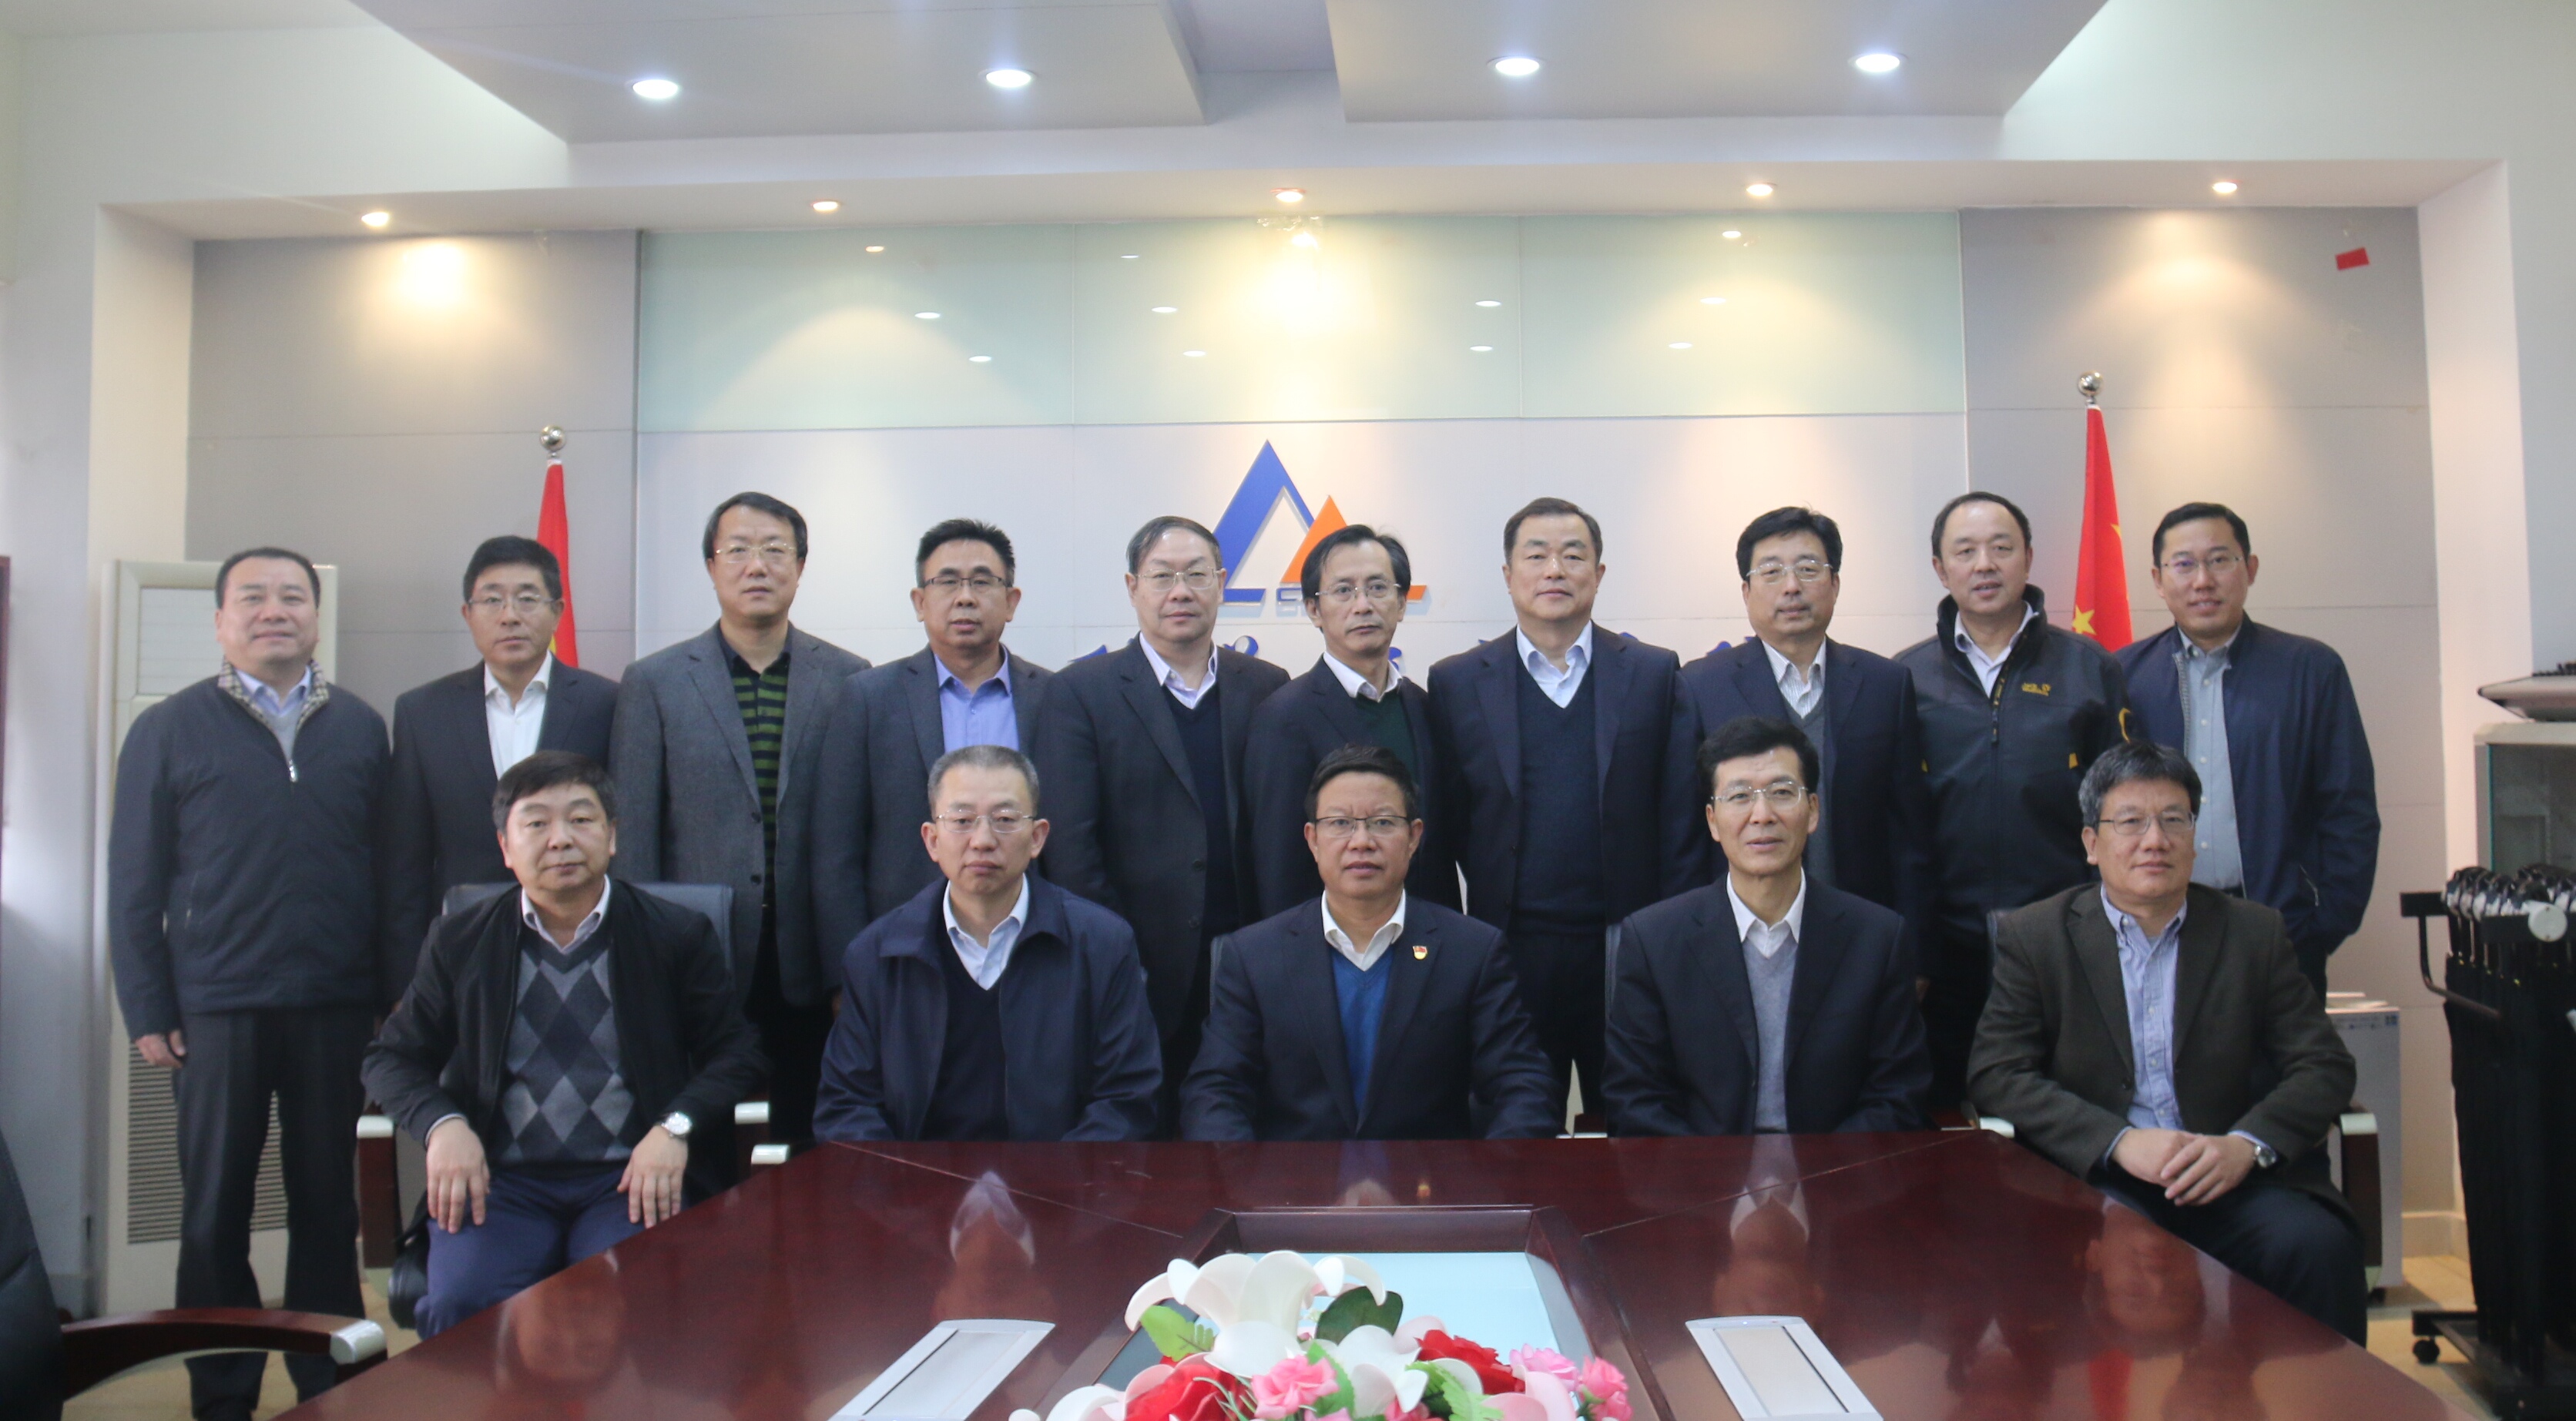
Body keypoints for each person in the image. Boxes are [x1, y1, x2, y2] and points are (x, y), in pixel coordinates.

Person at [107, 547, 389, 1421]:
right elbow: (132, 882)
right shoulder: (167, 728)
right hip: (215, 1008)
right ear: (221, 621)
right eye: (254, 597)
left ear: (315, 617)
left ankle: (331, 1390)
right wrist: (147, 1005)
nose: (275, 610)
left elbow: (386, 873)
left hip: (335, 1005)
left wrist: (390, 1002)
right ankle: (222, 1397)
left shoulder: (360, 727)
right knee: (214, 1214)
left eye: (293, 596)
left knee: (326, 1209)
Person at [1969, 739, 2365, 1342]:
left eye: (2174, 820)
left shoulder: (2252, 933)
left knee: (2316, 1246)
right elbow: (1997, 1072)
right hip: (2103, 1178)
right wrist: (2119, 1141)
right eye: (2130, 822)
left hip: (2233, 1176)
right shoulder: (2038, 936)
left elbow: (2324, 1065)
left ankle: (2324, 1393)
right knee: (2124, 1249)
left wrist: (2245, 1146)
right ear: (2091, 843)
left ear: (2194, 837)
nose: (2154, 840)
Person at [362, 752, 763, 1338]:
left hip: (628, 1180)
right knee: (460, 1306)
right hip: (501, 1185)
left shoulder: (673, 933)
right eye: (537, 823)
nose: (561, 840)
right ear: (505, 846)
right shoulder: (461, 940)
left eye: (581, 819)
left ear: (612, 835)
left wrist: (674, 1127)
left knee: (634, 1304)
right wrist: (443, 1125)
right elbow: (390, 1058)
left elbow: (737, 1052)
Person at [609, 492, 867, 1155]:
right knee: (703, 1142)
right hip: (698, 951)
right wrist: (645, 962)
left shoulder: (850, 679)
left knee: (810, 1139)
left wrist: (849, 964)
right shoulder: (655, 681)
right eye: (739, 550)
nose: (758, 565)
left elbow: (857, 829)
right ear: (711, 566)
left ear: (801, 566)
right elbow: (634, 836)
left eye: (776, 550)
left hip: (810, 953)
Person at [1426, 496, 1697, 1121]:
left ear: (1598, 574)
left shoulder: (1654, 674)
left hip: (1629, 945)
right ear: (1508, 575)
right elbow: (1447, 823)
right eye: (1537, 555)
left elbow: (1681, 819)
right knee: (1517, 1123)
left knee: (1636, 1118)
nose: (1555, 570)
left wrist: (1673, 937)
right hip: (1508, 948)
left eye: (1573, 556)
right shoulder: (1458, 681)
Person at [1033, 515, 1289, 1127]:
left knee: (1240, 1130)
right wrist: (1116, 955)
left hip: (1249, 959)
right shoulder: (1080, 692)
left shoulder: (1266, 686)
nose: (1181, 591)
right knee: (1141, 1136)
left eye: (1196, 575)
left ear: (1221, 583)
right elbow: (1071, 848)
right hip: (1136, 963)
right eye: (1162, 576)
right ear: (1132, 587)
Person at [1181, 745, 1558, 1141]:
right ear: (1312, 839)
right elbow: (1214, 1092)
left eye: (1382, 822)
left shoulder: (1472, 951)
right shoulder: (1254, 956)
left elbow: (1523, 1085)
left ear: (1413, 837)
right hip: (1297, 1178)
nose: (1361, 842)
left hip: (1430, 1177)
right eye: (1340, 823)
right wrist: (1246, 1173)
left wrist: (1494, 1171)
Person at [1894, 491, 2131, 1114]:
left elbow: (2123, 812)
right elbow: (1897, 826)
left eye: (2001, 547)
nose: (1985, 564)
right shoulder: (1904, 678)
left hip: (2065, 943)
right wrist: (1914, 948)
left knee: (2061, 1117)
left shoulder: (2091, 668)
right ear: (1940, 568)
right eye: (1965, 551)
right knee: (1948, 1121)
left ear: (2028, 557)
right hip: (1946, 952)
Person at [814, 746, 1160, 1141]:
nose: (982, 840)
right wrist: (906, 1180)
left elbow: (1126, 1100)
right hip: (915, 1178)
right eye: (962, 820)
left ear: (1037, 837)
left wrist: (1052, 1178)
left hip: (1060, 1176)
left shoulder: (1103, 945)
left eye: (1005, 820)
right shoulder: (876, 955)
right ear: (932, 840)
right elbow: (848, 1107)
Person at [1604, 716, 1929, 1136]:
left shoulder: (1878, 939)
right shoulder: (1653, 941)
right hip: (1703, 1171)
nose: (1762, 815)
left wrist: (1817, 1172)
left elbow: (1899, 1097)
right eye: (1739, 796)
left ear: (1813, 811)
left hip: (1836, 1169)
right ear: (1712, 820)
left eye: (1781, 793)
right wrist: (1722, 1174)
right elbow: (1635, 1101)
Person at [2118, 503, 2380, 997]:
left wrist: (2325, 922)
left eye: (2220, 560)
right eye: (2183, 564)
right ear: (2158, 580)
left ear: (2250, 568)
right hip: (2155, 932)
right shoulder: (2124, 677)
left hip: (2281, 929)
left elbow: (2349, 806)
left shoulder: (2310, 670)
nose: (2203, 581)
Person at [1675, 508, 1930, 943]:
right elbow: (1685, 833)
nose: (1791, 586)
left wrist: (1916, 950)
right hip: (1739, 932)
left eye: (1808, 569)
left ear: (1835, 584)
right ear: (1746, 591)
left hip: (1863, 930)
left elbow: (1910, 834)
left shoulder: (1885, 684)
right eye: (1771, 572)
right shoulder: (1700, 686)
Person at [381, 536, 618, 992]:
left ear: (558, 612)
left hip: (582, 942)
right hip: (463, 945)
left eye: (527, 599)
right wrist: (403, 984)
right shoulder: (422, 712)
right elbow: (405, 861)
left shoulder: (606, 703)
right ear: (468, 614)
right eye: (492, 600)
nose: (510, 615)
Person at [813, 519, 1054, 959]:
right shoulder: (868, 698)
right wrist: (849, 971)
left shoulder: (1054, 697)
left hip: (1031, 942)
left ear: (1011, 602)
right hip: (900, 946)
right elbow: (835, 850)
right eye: (947, 582)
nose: (965, 597)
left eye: (982, 581)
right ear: (920, 602)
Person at [1245, 524, 1454, 917]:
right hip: (1332, 938)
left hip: (1426, 933)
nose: (1363, 605)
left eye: (1378, 588)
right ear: (1313, 609)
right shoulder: (1284, 717)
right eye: (1343, 591)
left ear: (1401, 603)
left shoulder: (1426, 707)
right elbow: (1279, 864)